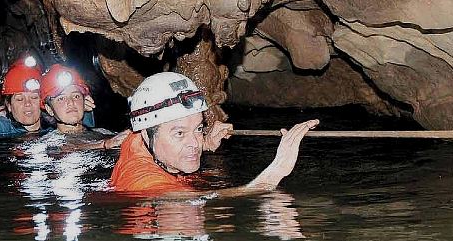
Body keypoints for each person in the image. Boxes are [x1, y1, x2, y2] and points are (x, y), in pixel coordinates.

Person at [110, 72, 318, 195]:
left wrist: (207, 142)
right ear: (147, 135)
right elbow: (203, 200)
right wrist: (277, 169)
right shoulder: (143, 181)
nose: (195, 143)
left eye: (199, 128)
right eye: (180, 133)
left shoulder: (138, 140)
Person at [39, 64, 127, 149]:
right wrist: (104, 145)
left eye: (76, 96)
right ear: (49, 109)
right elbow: (61, 149)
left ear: (84, 101)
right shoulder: (45, 143)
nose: (71, 102)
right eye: (61, 98)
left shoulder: (103, 133)